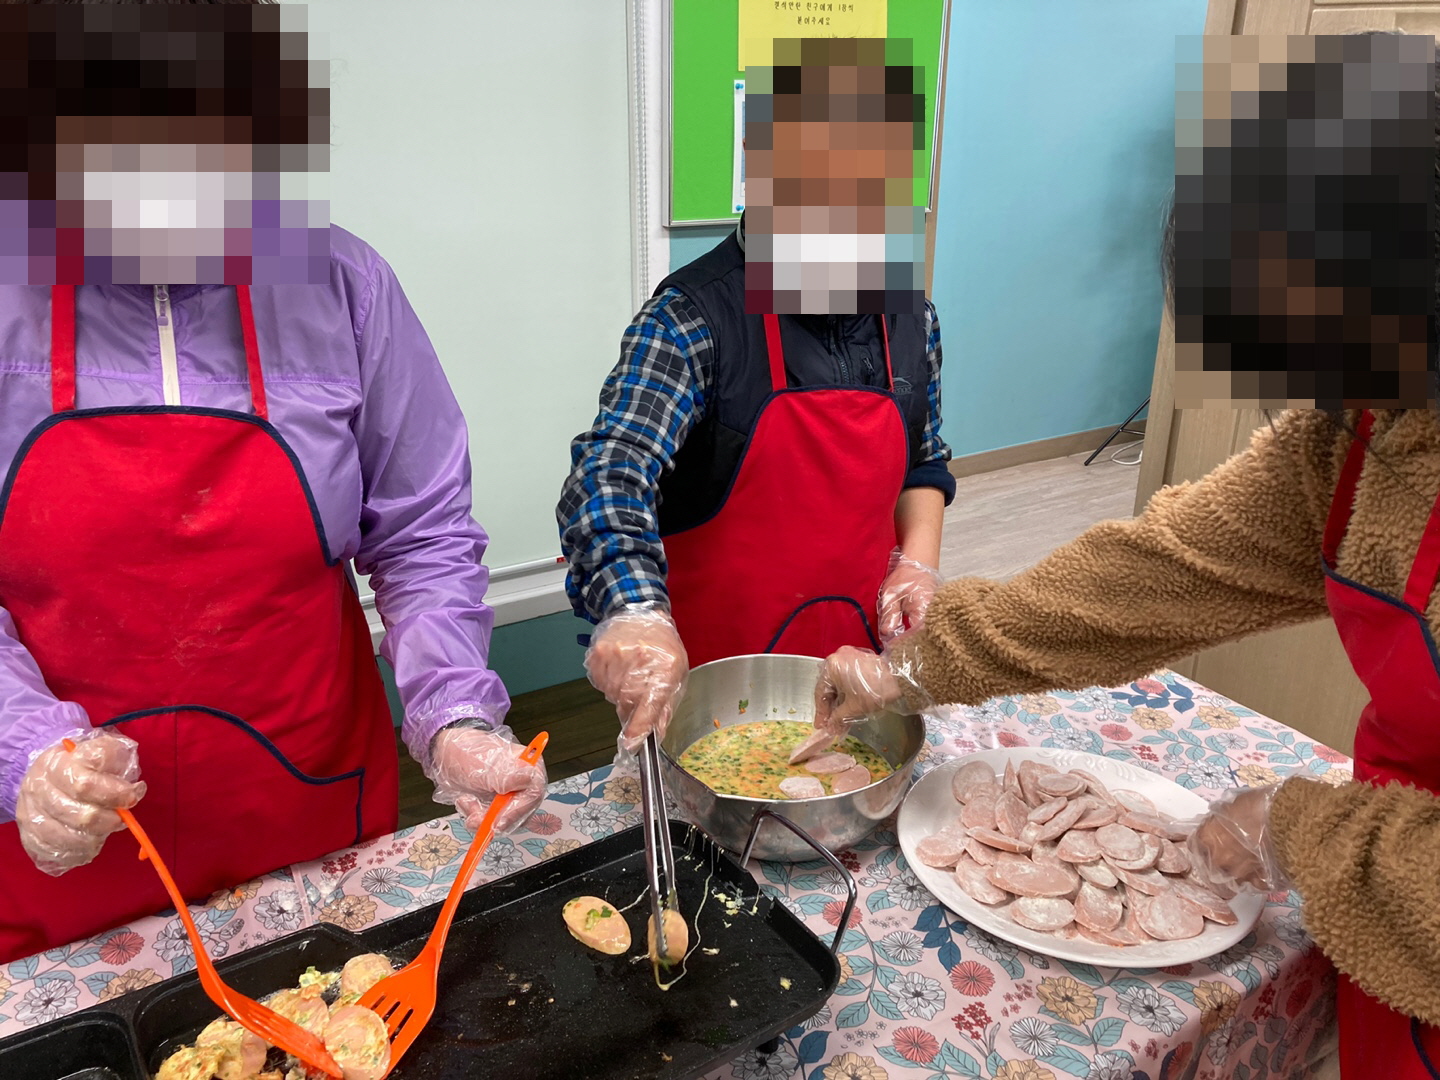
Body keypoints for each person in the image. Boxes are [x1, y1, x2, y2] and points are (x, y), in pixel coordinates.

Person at [810, 32, 1440, 1079]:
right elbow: (1146, 578)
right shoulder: (1356, 434)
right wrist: (920, 664)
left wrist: (1303, 832)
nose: (1298, 384)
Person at [0, 0, 545, 964]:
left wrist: (454, 712)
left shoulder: (340, 281)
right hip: (63, 849)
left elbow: (421, 534)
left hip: (312, 809)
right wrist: (28, 752)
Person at [558, 37, 954, 752]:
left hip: (857, 666)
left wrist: (918, 562)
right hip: (710, 682)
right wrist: (637, 613)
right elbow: (610, 475)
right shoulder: (690, 319)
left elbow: (923, 462)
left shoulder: (911, 317)